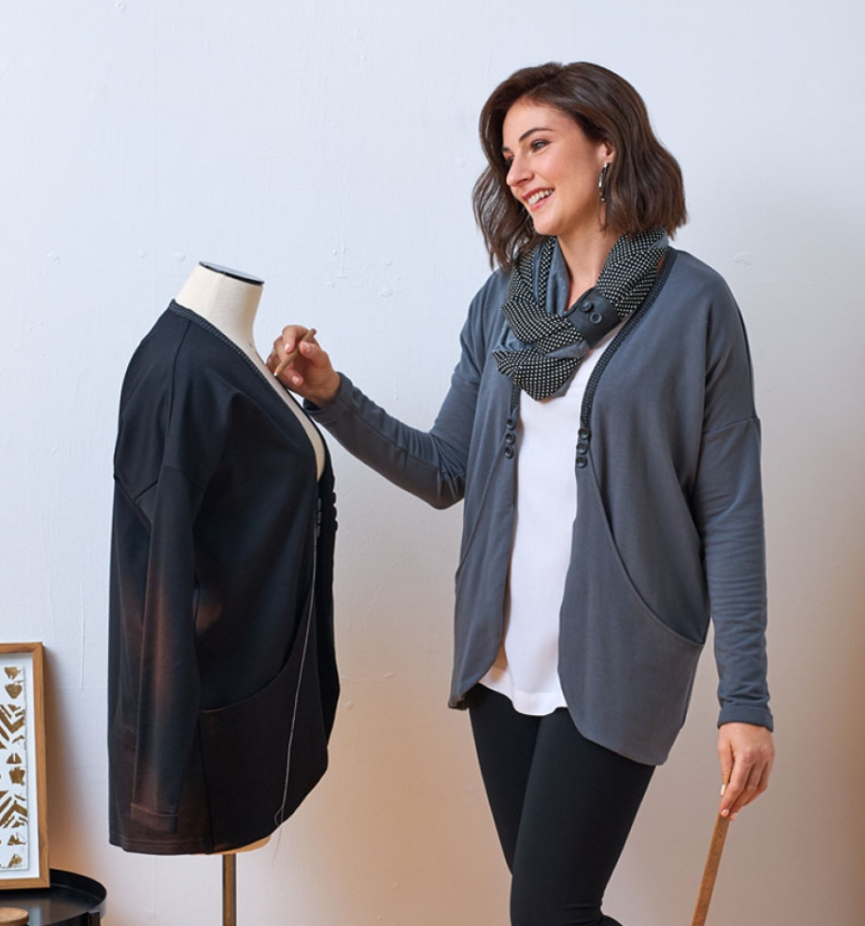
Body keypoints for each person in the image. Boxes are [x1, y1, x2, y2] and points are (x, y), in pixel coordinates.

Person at [269, 61, 774, 926]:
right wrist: (332, 395)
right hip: (503, 659)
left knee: (546, 908)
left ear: (607, 147)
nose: (518, 173)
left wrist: (746, 700)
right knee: (552, 909)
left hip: (621, 654)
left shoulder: (694, 306)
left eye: (538, 145)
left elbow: (729, 510)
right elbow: (445, 469)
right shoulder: (504, 304)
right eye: (508, 157)